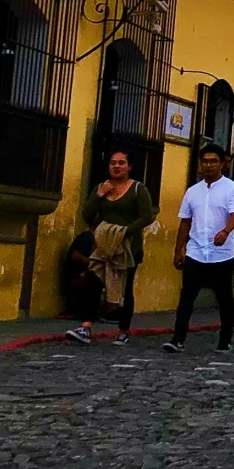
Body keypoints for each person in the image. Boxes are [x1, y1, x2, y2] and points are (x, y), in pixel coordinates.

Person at [66, 147, 157, 346]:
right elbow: (87, 216)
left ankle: (123, 330)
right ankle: (86, 327)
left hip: (127, 249)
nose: (116, 166)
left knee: (125, 289)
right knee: (92, 283)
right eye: (113, 163)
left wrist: (124, 231)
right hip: (103, 247)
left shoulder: (137, 189)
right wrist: (99, 195)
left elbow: (146, 216)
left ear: (129, 166)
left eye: (121, 163)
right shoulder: (101, 187)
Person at [165, 143, 234, 354]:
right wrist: (178, 250)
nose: (209, 165)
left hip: (221, 254)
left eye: (213, 161)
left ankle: (225, 340)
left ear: (222, 164)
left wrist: (225, 231)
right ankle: (178, 338)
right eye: (205, 161)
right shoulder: (192, 192)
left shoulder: (232, 189)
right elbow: (185, 222)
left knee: (224, 298)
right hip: (196, 252)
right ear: (200, 164)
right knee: (187, 297)